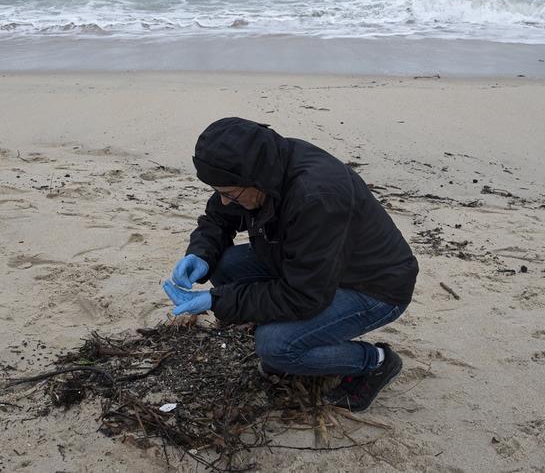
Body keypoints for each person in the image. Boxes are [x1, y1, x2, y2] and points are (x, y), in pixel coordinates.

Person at [162, 117, 419, 412]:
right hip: (310, 266)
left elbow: (304, 295)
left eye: (229, 193)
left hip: (374, 287)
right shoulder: (259, 165)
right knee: (224, 266)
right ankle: (298, 335)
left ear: (254, 179)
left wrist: (217, 300)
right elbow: (219, 217)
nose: (223, 200)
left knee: (275, 347)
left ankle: (375, 362)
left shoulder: (316, 196)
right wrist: (201, 254)